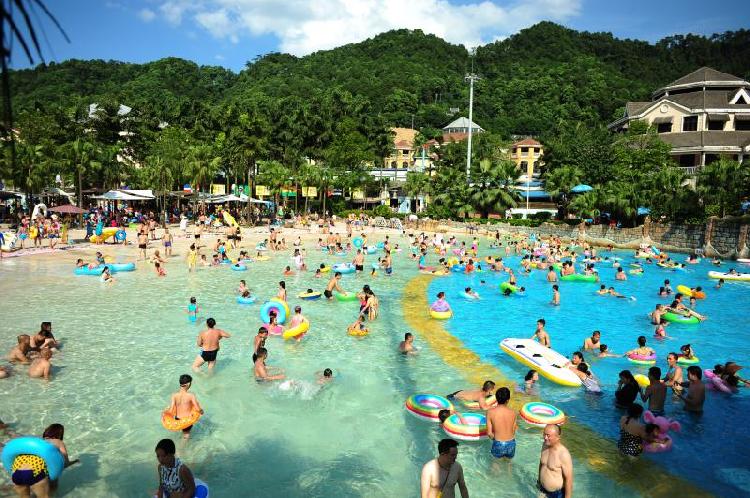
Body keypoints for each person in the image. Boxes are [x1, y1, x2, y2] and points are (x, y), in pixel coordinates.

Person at [9, 423, 78, 498]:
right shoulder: (58, 441)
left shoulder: (35, 440)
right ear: (60, 434)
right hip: (35, 472)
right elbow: (64, 463)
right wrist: (74, 462)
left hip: (17, 472)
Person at [537, 424, 573, 498]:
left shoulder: (563, 454)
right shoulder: (545, 445)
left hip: (556, 494)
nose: (545, 438)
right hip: (542, 489)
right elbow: (541, 464)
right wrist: (539, 480)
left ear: (558, 437)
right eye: (544, 434)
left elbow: (569, 480)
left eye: (548, 435)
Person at [165, 374, 204, 440]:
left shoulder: (174, 395)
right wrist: (201, 411)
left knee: (182, 430)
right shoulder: (191, 395)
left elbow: (171, 409)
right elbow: (197, 408)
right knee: (186, 435)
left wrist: (165, 413)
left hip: (177, 419)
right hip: (186, 420)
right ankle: (182, 446)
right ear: (188, 384)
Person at [486, 387, 517, 459]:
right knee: (509, 463)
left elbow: (489, 433)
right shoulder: (513, 412)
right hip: (511, 443)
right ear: (508, 400)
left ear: (496, 399)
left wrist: (497, 440)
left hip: (499, 443)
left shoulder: (490, 412)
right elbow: (513, 430)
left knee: (496, 464)